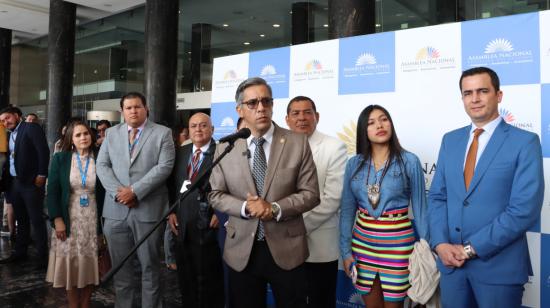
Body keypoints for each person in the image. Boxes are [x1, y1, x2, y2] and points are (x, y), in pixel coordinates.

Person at [428, 66, 544, 307]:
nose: (475, 99)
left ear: (498, 95)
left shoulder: (525, 142)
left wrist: (469, 250)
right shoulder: (450, 140)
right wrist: (440, 244)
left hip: (499, 269)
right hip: (452, 269)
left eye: (482, 91)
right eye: (468, 93)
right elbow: (438, 197)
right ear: (462, 99)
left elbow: (523, 211)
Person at [209, 77, 320, 308]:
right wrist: (245, 207)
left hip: (287, 249)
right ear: (239, 109)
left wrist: (274, 208)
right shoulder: (225, 147)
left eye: (266, 101)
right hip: (241, 250)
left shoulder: (296, 142)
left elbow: (311, 193)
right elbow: (215, 194)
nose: (261, 108)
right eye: (252, 103)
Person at [339, 105, 429, 307]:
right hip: (362, 246)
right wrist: (346, 252)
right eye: (371, 123)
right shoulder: (354, 164)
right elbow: (346, 211)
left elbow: (422, 212)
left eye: (383, 119)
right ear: (364, 130)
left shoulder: (409, 161)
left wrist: (427, 252)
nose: (379, 125)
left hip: (398, 248)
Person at [96, 92, 175, 308]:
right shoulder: (111, 133)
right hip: (115, 211)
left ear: (146, 108)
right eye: (128, 108)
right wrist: (119, 194)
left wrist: (135, 191)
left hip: (148, 210)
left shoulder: (162, 133)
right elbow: (101, 166)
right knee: (121, 269)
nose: (133, 111)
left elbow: (164, 167)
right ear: (122, 111)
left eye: (137, 107)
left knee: (150, 267)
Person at [285, 96, 347, 308]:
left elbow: (332, 198)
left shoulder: (334, 147)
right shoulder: (278, 147)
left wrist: (297, 228)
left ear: (316, 116)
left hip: (319, 246)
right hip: (282, 246)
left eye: (307, 112)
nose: (302, 118)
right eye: (296, 113)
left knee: (321, 301)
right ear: (287, 119)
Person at [46, 120, 105, 308]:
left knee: (90, 263)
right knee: (71, 264)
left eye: (86, 133)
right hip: (69, 216)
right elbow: (53, 191)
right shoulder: (60, 158)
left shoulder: (101, 156)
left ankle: (86, 302)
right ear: (71, 139)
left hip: (93, 217)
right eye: (78, 135)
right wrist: (57, 220)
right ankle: (73, 304)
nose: (83, 137)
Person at [167, 112, 224, 308]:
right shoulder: (181, 153)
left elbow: (233, 185)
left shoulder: (222, 152)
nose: (198, 129)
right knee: (185, 278)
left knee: (208, 280)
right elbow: (173, 185)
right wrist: (171, 211)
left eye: (203, 125)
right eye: (193, 126)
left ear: (212, 129)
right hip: (182, 226)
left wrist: (221, 212)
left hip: (208, 226)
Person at [0, 106, 50, 267]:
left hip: (31, 182)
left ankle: (42, 257)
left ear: (16, 115)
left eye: (7, 118)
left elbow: (43, 151)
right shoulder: (9, 135)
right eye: (2, 120)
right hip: (15, 182)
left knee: (36, 219)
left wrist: (42, 174)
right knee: (21, 219)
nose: (5, 122)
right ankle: (20, 252)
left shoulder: (30, 128)